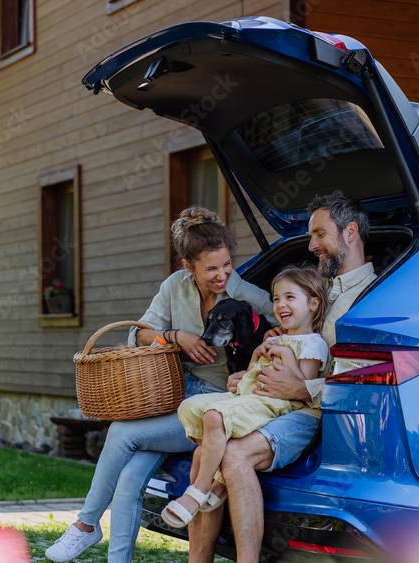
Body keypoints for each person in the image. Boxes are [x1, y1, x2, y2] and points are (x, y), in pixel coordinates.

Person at [45, 207, 274, 563]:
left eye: (227, 264)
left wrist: (265, 351)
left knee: (122, 433)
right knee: (129, 479)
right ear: (188, 266)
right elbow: (139, 335)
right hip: (169, 396)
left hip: (210, 406)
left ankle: (86, 524)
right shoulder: (174, 287)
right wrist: (176, 336)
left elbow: (288, 324)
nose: (222, 275)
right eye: (211, 269)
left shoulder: (246, 294)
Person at [188, 191, 377, 563]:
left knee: (234, 455)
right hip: (274, 405)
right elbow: (291, 347)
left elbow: (360, 377)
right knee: (202, 452)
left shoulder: (373, 297)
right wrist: (249, 378)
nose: (311, 245)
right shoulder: (316, 290)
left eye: (319, 234)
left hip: (323, 417)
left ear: (350, 232)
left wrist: (303, 388)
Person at [160, 266, 329, 528]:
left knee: (214, 416)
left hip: (275, 403)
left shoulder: (313, 343)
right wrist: (257, 354)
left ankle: (199, 491)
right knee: (190, 407)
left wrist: (285, 354)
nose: (280, 304)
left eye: (289, 297)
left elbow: (301, 388)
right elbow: (252, 372)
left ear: (313, 303)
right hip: (250, 394)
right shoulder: (277, 337)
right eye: (276, 298)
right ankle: (218, 479)